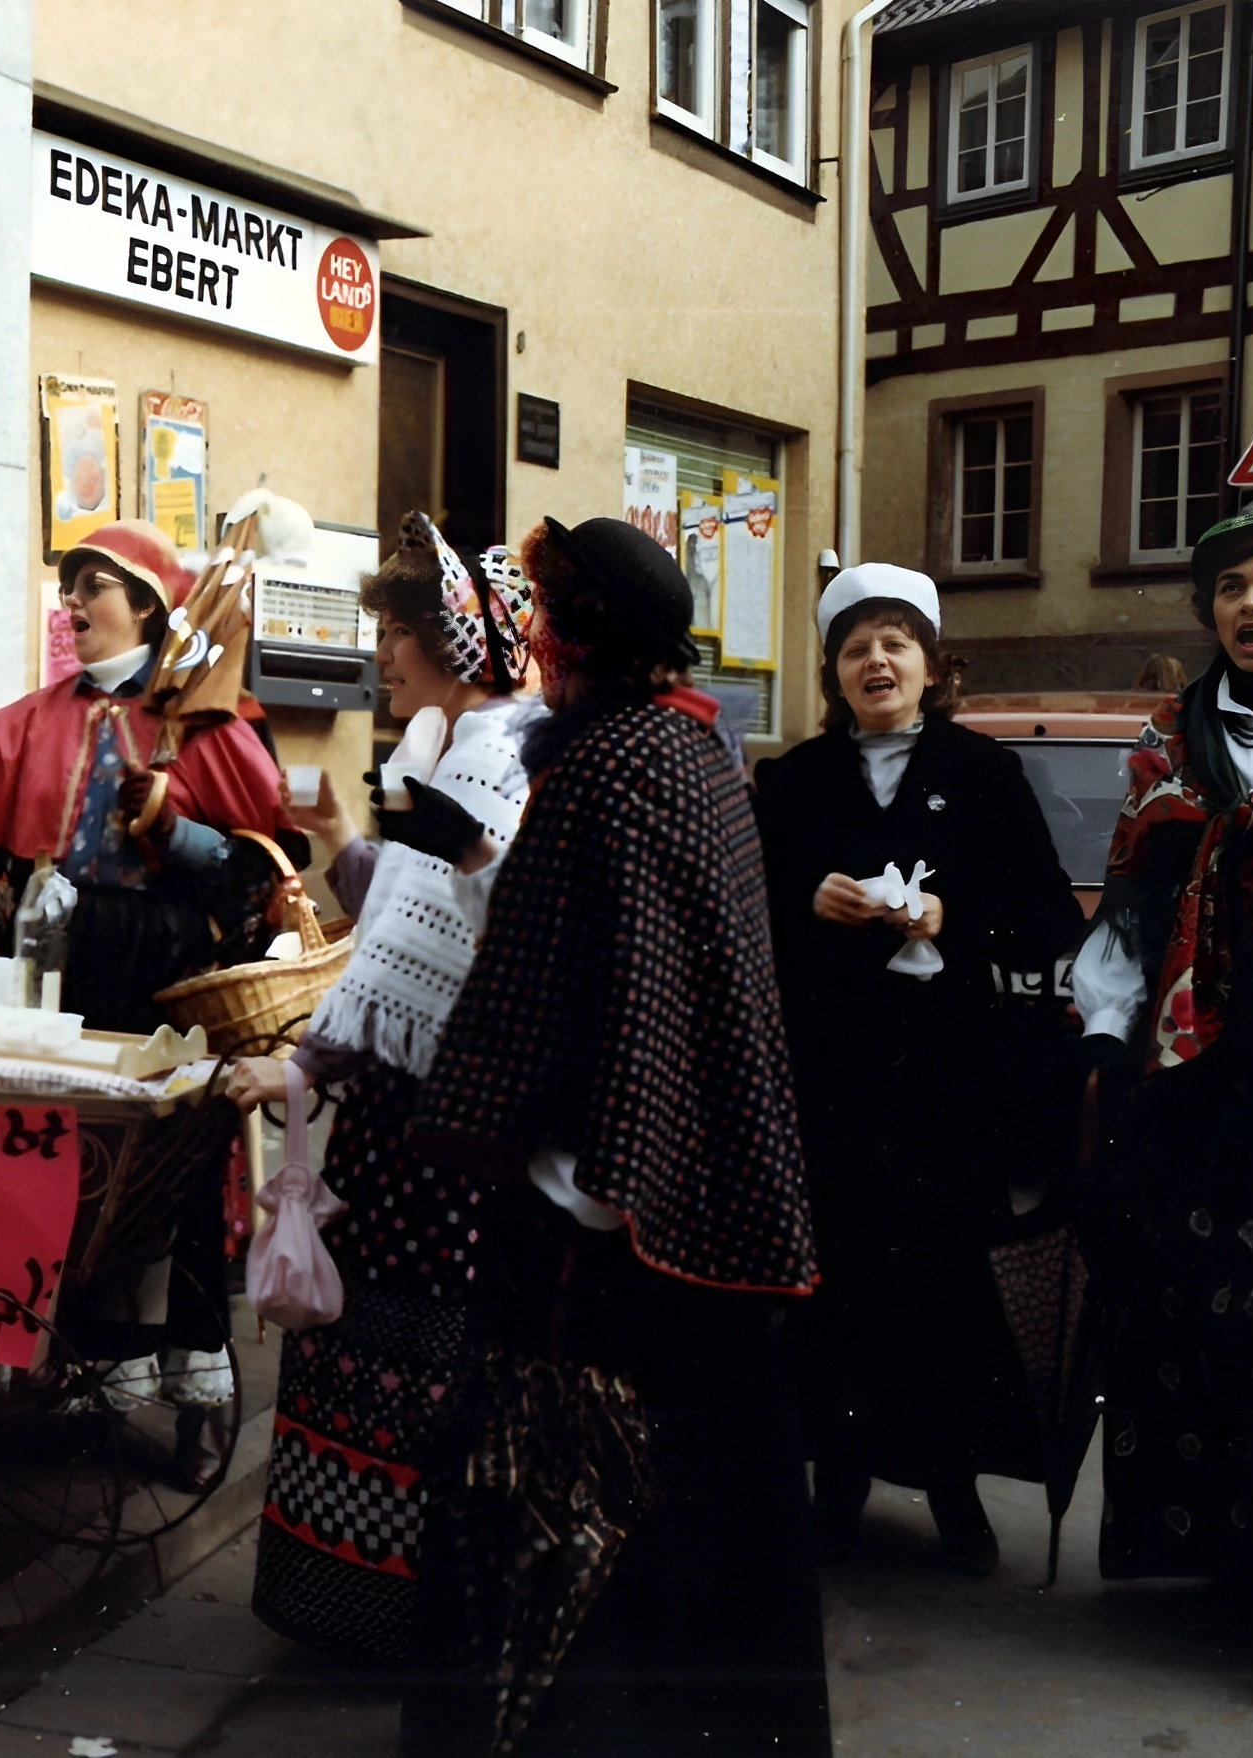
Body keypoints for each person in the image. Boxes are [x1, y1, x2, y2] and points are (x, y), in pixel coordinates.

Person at [404, 517, 829, 1756]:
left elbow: (609, 990)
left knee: (585, 1503)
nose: (527, 639)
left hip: (600, 1224)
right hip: (681, 1196)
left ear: (580, 636)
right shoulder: (687, 750)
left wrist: (580, 1171)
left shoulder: (609, 766)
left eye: (541, 616)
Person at [222, 515, 543, 1665]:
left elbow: (457, 941)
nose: (383, 655)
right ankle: (347, 1605)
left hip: (444, 1132)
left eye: (398, 632)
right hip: (403, 1122)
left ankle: (390, 1616)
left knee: (412, 1369)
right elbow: (401, 914)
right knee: (368, 1356)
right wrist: (344, 837)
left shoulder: (498, 757)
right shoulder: (437, 758)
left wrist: (310, 1061)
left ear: (456, 641)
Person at [0, 518, 302, 1435]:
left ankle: (192, 1397)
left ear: (145, 605)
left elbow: (265, 868)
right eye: (70, 585)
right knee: (66, 1170)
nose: (73, 601)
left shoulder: (207, 721)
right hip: (62, 972)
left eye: (94, 584)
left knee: (171, 1180)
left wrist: (174, 830)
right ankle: (82, 1370)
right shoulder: (34, 716)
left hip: (166, 974)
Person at [753, 564, 1081, 1575]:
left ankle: (951, 1490)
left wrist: (951, 918)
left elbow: (1042, 919)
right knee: (838, 1286)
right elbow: (745, 923)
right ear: (834, 673)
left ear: (931, 666)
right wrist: (805, 906)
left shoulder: (981, 774)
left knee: (938, 1291)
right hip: (832, 1085)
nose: (876, 661)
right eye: (856, 648)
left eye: (894, 642)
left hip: (945, 1088)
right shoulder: (793, 781)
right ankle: (835, 1486)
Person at [1077, 496, 1253, 1649]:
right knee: (1200, 1326)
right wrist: (1106, 1041)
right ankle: (1217, 1566)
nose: (1248, 608)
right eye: (1228, 590)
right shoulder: (1170, 738)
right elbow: (1126, 907)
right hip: (1195, 1079)